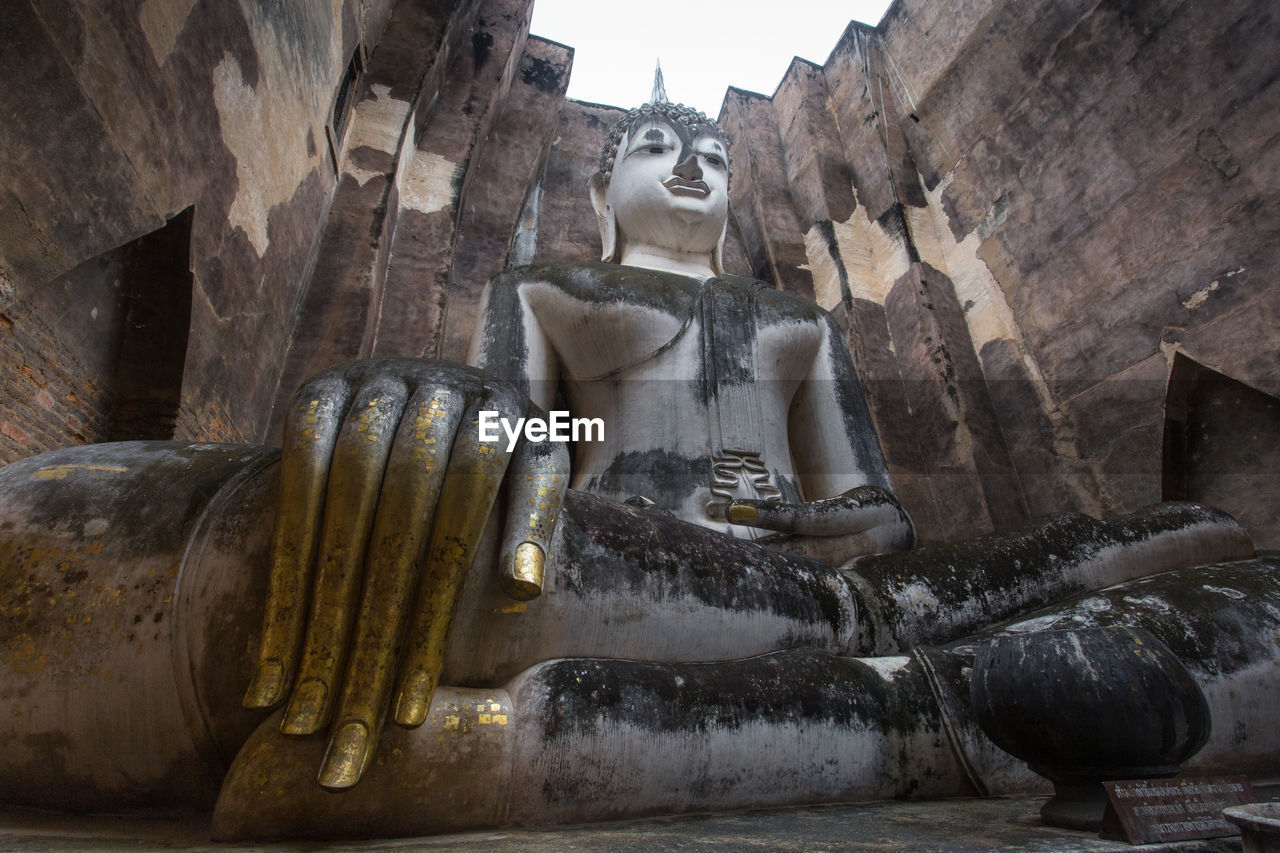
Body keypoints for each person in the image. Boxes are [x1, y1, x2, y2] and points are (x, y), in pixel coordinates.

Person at [0, 95, 1274, 840]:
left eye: (713, 152)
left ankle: (922, 686)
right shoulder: (548, 286)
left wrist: (789, 511)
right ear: (605, 182)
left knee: (1179, 531)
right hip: (602, 547)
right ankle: (937, 705)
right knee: (430, 551)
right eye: (659, 144)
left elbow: (869, 516)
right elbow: (519, 430)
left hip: (823, 584)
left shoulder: (794, 322)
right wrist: (510, 436)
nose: (693, 162)